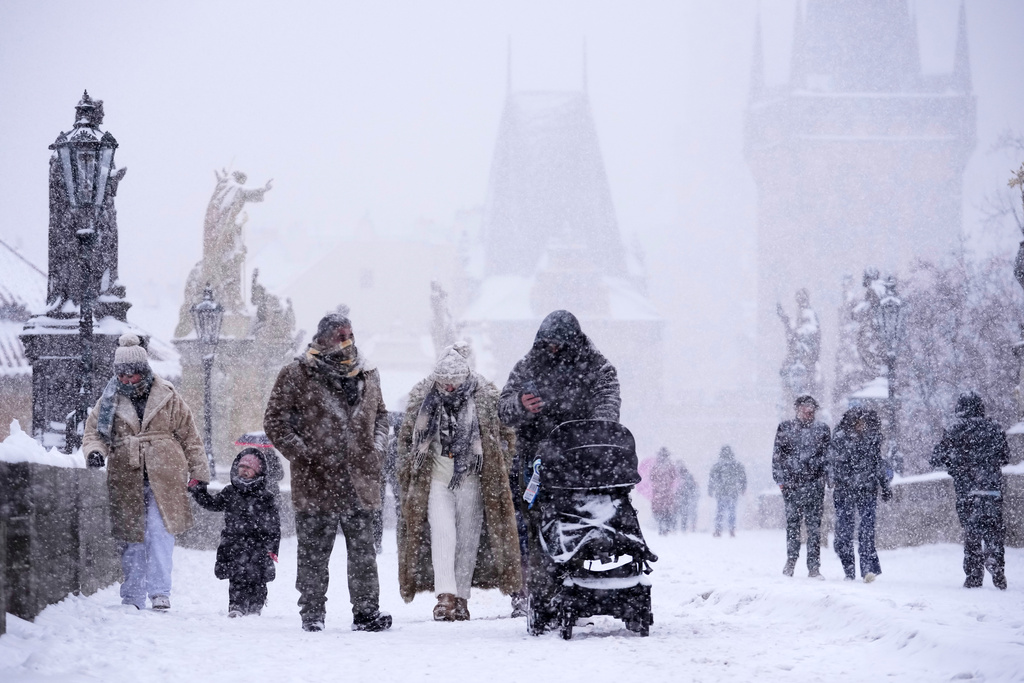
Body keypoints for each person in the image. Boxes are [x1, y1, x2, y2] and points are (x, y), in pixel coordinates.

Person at [264, 312, 392, 632]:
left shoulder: (367, 373)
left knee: (363, 552)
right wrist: (305, 455)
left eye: (350, 333)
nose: (346, 340)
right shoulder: (296, 373)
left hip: (358, 477)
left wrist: (376, 450)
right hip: (316, 479)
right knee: (313, 553)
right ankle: (312, 613)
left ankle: (366, 612)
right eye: (339, 334)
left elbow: (381, 417)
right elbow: (275, 422)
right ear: (322, 337)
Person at [498, 310, 620, 630]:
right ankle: (536, 591)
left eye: (558, 345)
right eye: (547, 345)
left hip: (582, 462)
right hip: (535, 463)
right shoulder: (528, 366)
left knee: (578, 523)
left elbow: (607, 411)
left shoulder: (598, 368)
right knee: (535, 526)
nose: (552, 350)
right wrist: (521, 406)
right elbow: (503, 409)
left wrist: (588, 440)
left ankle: (574, 583)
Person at [83, 333, 209, 611]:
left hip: (165, 473)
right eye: (123, 375)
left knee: (160, 531)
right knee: (131, 535)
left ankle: (160, 591)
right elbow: (93, 432)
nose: (128, 381)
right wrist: (95, 452)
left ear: (143, 371)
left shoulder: (168, 394)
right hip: (125, 475)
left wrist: (199, 471)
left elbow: (190, 435)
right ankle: (132, 594)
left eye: (133, 375)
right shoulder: (108, 400)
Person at [396, 342, 522, 621]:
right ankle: (446, 597)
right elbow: (406, 440)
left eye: (454, 382)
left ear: (464, 377)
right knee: (443, 535)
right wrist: (408, 470)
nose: (449, 388)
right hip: (437, 478)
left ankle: (462, 597)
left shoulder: (486, 396)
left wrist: (500, 463)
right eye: (444, 382)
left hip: (475, 479)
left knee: (468, 538)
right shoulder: (423, 398)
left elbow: (507, 434)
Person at [931, 391, 1009, 590]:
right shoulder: (994, 428)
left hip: (967, 491)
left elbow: (937, 458)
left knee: (972, 532)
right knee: (994, 529)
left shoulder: (955, 430)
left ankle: (974, 575)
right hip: (992, 489)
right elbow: (1005, 457)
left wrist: (955, 465)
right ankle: (994, 559)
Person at [190, 448, 281, 616]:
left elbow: (274, 526)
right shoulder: (230, 492)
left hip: (258, 545)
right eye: (242, 467)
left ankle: (256, 606)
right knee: (236, 576)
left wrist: (272, 549)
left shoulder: (265, 496)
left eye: (250, 468)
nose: (245, 470)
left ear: (258, 471)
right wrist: (198, 490)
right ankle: (236, 606)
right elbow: (212, 504)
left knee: (258, 578)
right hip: (234, 543)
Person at [828, 407, 891, 582]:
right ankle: (849, 571)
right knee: (844, 532)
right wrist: (832, 478)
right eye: (859, 422)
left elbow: (878, 463)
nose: (862, 426)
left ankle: (867, 570)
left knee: (867, 531)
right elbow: (831, 462)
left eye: (864, 422)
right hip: (845, 491)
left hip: (867, 490)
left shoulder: (871, 440)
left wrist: (884, 486)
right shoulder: (840, 439)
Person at [772, 395, 831, 578]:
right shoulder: (785, 428)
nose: (809, 411)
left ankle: (813, 567)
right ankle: (791, 561)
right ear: (797, 409)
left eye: (812, 408)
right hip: (792, 487)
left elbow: (828, 456)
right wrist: (781, 482)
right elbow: (777, 457)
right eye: (805, 407)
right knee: (793, 526)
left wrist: (828, 477)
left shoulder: (822, 430)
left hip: (814, 486)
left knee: (814, 528)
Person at [709, 445, 747, 537]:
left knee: (720, 512)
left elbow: (712, 478)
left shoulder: (718, 465)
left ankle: (718, 530)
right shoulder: (736, 464)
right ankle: (731, 530)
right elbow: (743, 477)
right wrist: (743, 487)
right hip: (733, 491)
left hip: (720, 491)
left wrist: (710, 489)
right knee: (732, 511)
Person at [649, 448, 678, 535]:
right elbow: (674, 476)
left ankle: (661, 526)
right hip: (667, 492)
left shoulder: (655, 466)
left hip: (658, 492)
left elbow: (651, 477)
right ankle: (666, 526)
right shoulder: (670, 466)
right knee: (667, 510)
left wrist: (658, 482)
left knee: (658, 511)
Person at [676, 462, 699, 532]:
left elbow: (692, 486)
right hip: (686, 497)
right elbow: (693, 486)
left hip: (683, 497)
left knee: (683, 513)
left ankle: (682, 527)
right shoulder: (687, 476)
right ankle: (685, 527)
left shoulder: (678, 477)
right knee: (685, 513)